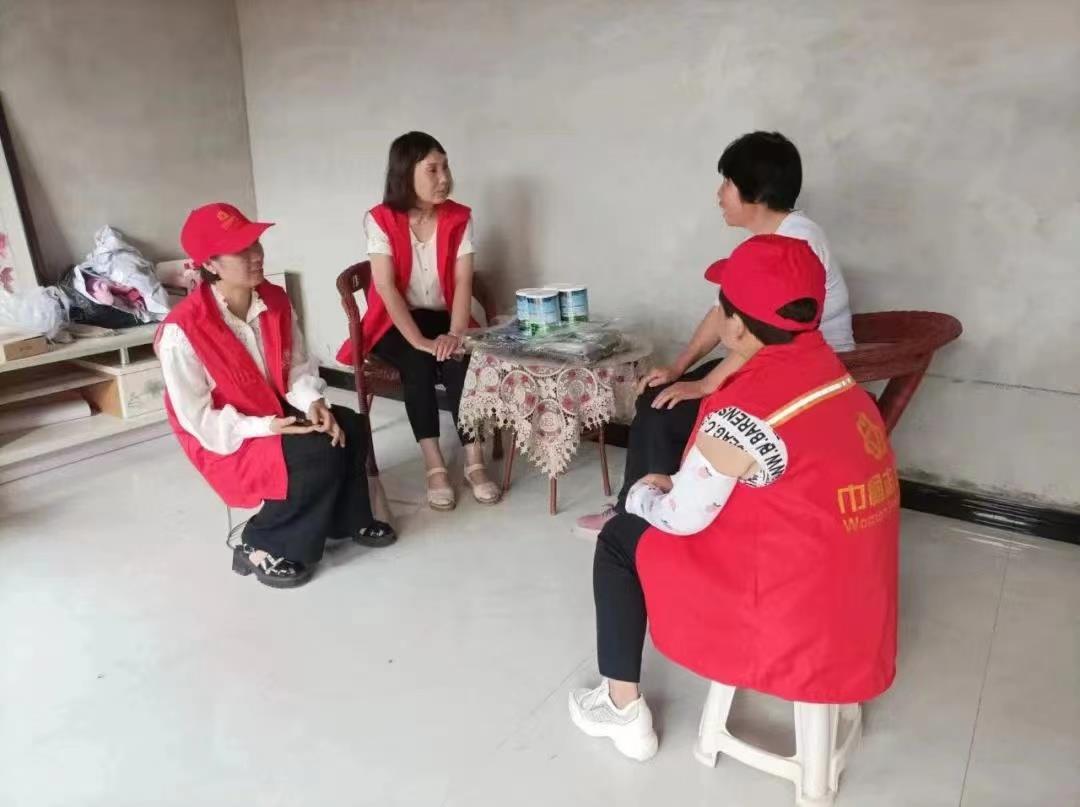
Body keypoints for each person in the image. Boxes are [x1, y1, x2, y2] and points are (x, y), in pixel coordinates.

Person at [569, 234, 898, 760]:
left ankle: (621, 708)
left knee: (618, 540)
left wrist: (643, 494)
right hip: (850, 593)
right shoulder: (837, 380)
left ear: (737, 327)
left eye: (721, 306)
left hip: (787, 609)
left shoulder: (742, 413)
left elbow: (681, 519)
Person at [576, 131, 855, 538]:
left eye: (727, 183)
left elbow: (774, 336)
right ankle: (649, 508)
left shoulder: (797, 241)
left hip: (803, 372)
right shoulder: (765, 242)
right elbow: (723, 312)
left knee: (665, 410)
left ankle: (643, 521)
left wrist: (706, 384)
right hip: (768, 362)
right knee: (661, 394)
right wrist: (679, 368)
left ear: (755, 193)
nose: (719, 194)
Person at [158, 202, 395, 589]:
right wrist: (268, 427)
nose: (256, 255)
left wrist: (313, 402)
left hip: (274, 408)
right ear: (211, 264)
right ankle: (259, 541)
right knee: (314, 454)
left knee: (350, 425)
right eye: (241, 250)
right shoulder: (182, 331)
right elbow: (199, 420)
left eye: (256, 243)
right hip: (228, 434)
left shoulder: (274, 299)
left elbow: (295, 366)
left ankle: (344, 520)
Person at [336, 131, 501, 511]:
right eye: (432, 169)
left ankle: (474, 461)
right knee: (419, 363)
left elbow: (463, 281)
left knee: (459, 359)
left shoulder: (459, 217)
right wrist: (420, 342)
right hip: (394, 322)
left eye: (446, 167)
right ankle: (434, 464)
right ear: (405, 173)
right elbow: (385, 288)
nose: (444, 178)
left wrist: (455, 334)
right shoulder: (380, 219)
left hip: (444, 317)